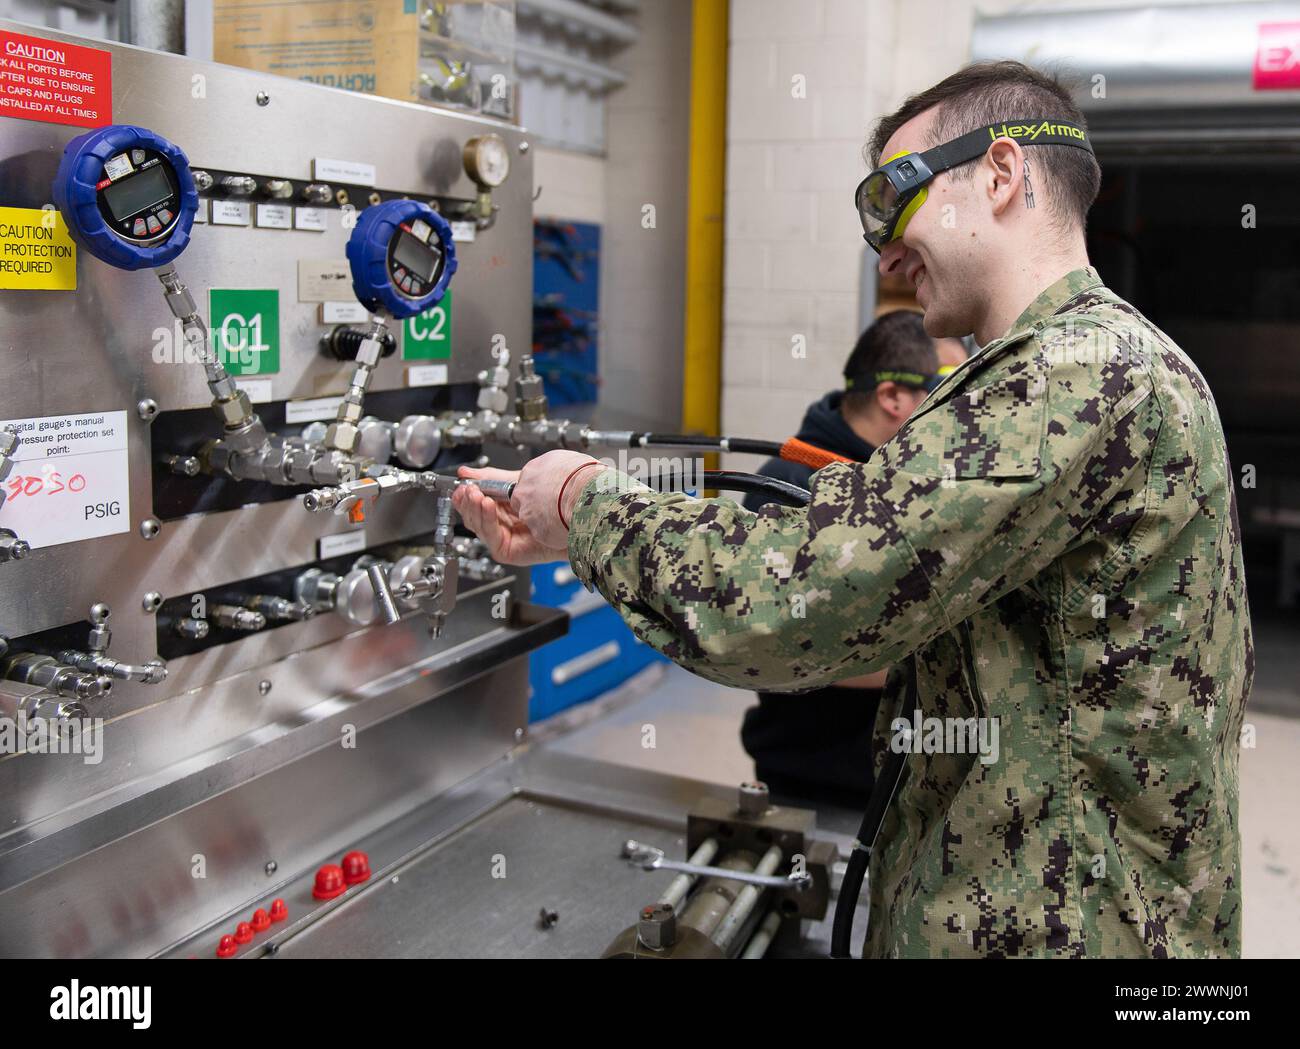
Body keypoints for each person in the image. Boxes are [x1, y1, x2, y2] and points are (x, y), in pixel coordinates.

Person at [453, 60, 1252, 958]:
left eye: (895, 198)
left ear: (999, 175)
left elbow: (800, 595)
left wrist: (581, 498)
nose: (885, 249)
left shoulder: (1073, 376)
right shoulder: (1105, 363)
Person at [739, 311, 966, 807]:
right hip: (822, 782)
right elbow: (785, 645)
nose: (965, 410)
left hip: (911, 781)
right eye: (951, 388)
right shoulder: (786, 487)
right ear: (892, 397)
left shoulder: (914, 479)